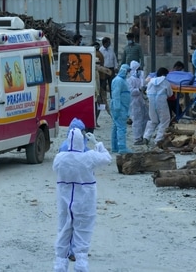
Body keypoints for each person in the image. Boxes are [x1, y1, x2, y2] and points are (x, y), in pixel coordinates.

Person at [53, 128, 111, 272]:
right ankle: (81, 265)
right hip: (85, 201)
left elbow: (55, 168)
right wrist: (97, 143)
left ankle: (60, 265)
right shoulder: (89, 157)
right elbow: (107, 158)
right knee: (83, 232)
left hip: (65, 201)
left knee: (64, 231)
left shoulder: (60, 157)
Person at [143, 67, 173, 149]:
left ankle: (146, 136)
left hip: (152, 103)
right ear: (164, 74)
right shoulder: (165, 82)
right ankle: (158, 140)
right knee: (165, 120)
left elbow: (147, 91)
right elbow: (170, 94)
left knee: (153, 120)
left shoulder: (151, 82)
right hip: (161, 103)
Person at [110, 64, 132, 154]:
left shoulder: (121, 80)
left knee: (116, 126)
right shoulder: (119, 81)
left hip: (122, 106)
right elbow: (116, 94)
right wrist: (117, 107)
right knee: (121, 127)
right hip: (120, 107)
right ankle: (122, 147)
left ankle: (115, 146)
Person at [127, 61, 148, 145]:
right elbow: (130, 91)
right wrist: (139, 90)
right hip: (135, 101)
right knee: (137, 120)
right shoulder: (130, 79)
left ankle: (142, 136)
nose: (140, 70)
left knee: (145, 118)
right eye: (138, 69)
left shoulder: (141, 77)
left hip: (142, 100)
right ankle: (137, 138)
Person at [92, 42, 108, 128]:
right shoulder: (94, 72)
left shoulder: (96, 55)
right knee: (98, 106)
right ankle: (94, 121)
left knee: (99, 105)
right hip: (97, 90)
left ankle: (94, 121)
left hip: (98, 89)